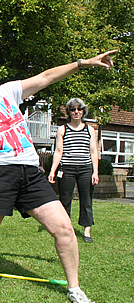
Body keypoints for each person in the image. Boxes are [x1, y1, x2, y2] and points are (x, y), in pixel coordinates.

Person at [0, 50, 117, 303]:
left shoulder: (7, 91)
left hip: (30, 173)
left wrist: (83, 63)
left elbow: (46, 77)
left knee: (63, 229)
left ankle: (74, 288)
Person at [48, 98, 99, 243]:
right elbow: (58, 151)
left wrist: (95, 172)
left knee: (86, 200)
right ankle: (65, 229)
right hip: (67, 169)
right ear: (69, 112)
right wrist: (53, 171)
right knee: (64, 200)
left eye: (79, 109)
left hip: (85, 169)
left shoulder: (90, 130)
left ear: (83, 111)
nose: (76, 112)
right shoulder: (62, 129)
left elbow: (94, 152)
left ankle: (87, 231)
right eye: (73, 109)